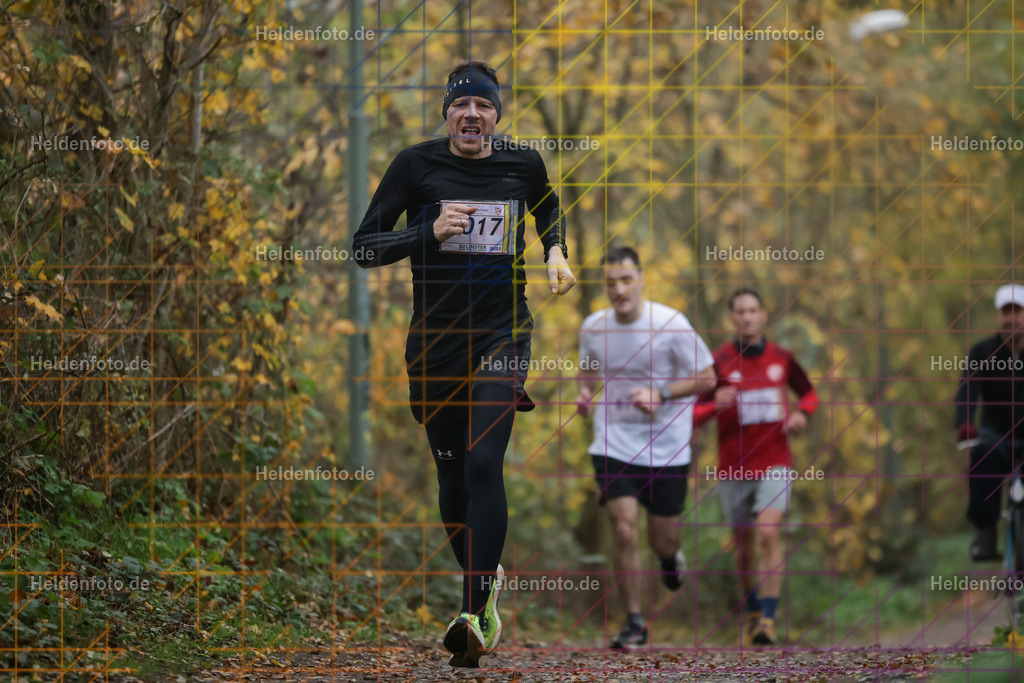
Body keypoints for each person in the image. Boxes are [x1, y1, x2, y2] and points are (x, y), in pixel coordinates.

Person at [351, 60, 576, 668]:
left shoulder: (522, 163)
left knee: (482, 461)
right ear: (447, 114)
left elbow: (548, 206)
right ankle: (488, 581)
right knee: (452, 484)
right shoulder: (414, 166)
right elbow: (364, 247)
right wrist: (426, 231)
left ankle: (473, 615)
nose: (472, 114)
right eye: (461, 106)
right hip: (435, 345)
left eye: (483, 106)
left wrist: (555, 250)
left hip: (503, 335)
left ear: (496, 115)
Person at [575, 246, 716, 650]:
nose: (618, 289)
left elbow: (708, 377)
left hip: (667, 445)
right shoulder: (594, 327)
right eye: (610, 283)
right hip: (614, 441)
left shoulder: (670, 324)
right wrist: (585, 394)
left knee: (661, 539)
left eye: (626, 280)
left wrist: (662, 393)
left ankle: (670, 558)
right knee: (623, 528)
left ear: (641, 279)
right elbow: (587, 372)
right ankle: (635, 622)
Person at [693, 288, 818, 646]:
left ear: (763, 315)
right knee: (744, 546)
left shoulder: (782, 358)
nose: (747, 317)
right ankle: (751, 611)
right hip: (733, 468)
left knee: (768, 531)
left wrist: (801, 415)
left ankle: (768, 619)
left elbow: (809, 394)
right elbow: (692, 414)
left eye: (753, 310)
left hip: (776, 462)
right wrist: (714, 405)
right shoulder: (717, 362)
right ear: (731, 318)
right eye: (740, 311)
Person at [958, 283, 1024, 561]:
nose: (1011, 318)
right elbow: (967, 390)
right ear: (999, 315)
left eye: (1017, 311)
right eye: (1006, 312)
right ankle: (985, 533)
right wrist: (965, 424)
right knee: (982, 454)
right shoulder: (982, 352)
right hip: (995, 434)